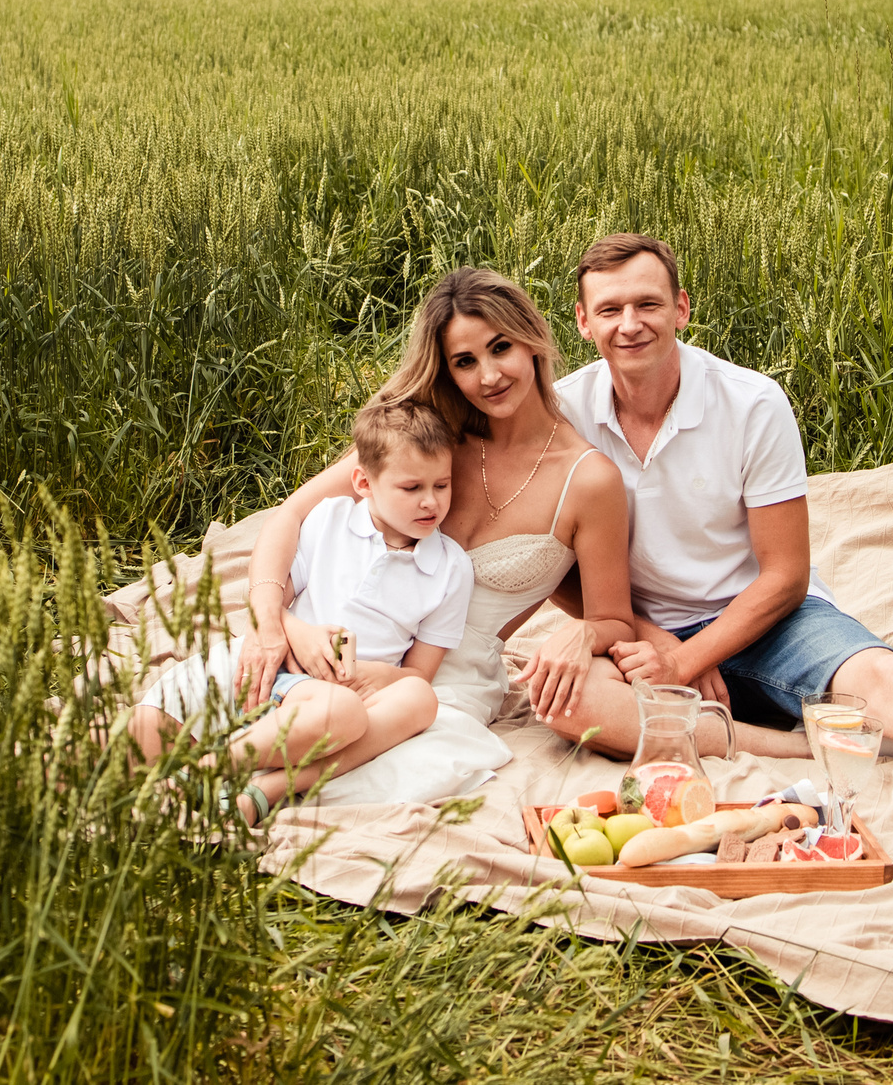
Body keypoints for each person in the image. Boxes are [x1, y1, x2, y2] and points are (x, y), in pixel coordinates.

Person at [538, 233, 893, 914]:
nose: (629, 323)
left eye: (647, 303)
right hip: (640, 624)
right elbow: (555, 559)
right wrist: (656, 642)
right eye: (609, 309)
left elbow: (786, 575)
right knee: (567, 701)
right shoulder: (564, 413)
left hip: (766, 616)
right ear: (582, 320)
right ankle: (792, 746)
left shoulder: (751, 404)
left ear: (682, 308)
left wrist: (689, 657)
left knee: (891, 681)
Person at [240, 270, 637, 799]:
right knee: (269, 706)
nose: (489, 375)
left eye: (501, 348)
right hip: (342, 638)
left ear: (533, 339)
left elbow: (615, 620)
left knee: (401, 760)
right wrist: (275, 623)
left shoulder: (589, 480)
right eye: (465, 362)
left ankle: (257, 792)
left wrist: (584, 633)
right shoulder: (427, 434)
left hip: (446, 681)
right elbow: (289, 518)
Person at [128, 400, 473, 822]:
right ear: (363, 482)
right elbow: (272, 606)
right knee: (138, 742)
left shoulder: (450, 568)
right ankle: (214, 767)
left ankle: (230, 778)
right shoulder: (330, 520)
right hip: (280, 667)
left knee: (418, 699)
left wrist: (373, 674)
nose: (430, 503)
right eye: (412, 488)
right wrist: (300, 633)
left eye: (442, 485)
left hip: (346, 695)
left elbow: (419, 673)